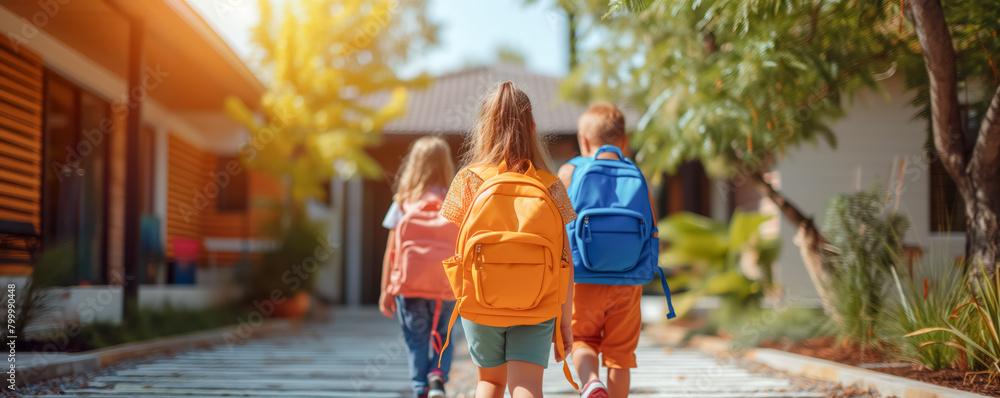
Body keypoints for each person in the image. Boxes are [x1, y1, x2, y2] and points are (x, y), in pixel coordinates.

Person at [438, 81, 577, 398]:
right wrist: (566, 323)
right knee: (526, 386)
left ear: (484, 128)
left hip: (481, 301)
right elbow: (566, 261)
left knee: (489, 383)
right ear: (532, 128)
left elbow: (452, 248)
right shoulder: (551, 185)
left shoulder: (469, 179)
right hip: (538, 302)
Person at [558, 103, 670, 398]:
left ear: (583, 140)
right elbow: (652, 228)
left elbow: (556, 225)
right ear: (624, 142)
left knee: (582, 341)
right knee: (620, 356)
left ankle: (591, 381)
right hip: (627, 281)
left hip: (582, 280)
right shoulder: (635, 174)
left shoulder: (569, 171)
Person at [379, 136, 459, 398]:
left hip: (410, 285)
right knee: (443, 334)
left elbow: (392, 251)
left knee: (417, 338)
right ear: (446, 165)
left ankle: (419, 388)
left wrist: (386, 290)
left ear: (414, 165)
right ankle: (437, 375)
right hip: (446, 283)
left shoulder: (403, 202)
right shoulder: (455, 202)